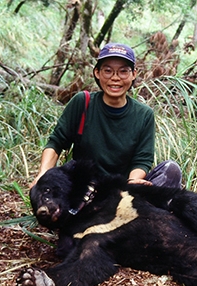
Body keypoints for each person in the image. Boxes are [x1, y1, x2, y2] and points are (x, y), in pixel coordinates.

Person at [30, 42, 182, 189]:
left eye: (123, 71)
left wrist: (133, 181)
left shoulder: (144, 115)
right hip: (84, 188)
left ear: (134, 74)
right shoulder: (83, 102)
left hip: (123, 190)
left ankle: (132, 209)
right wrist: (43, 174)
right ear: (97, 72)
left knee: (171, 170)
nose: (115, 78)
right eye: (108, 71)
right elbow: (56, 142)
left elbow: (142, 160)